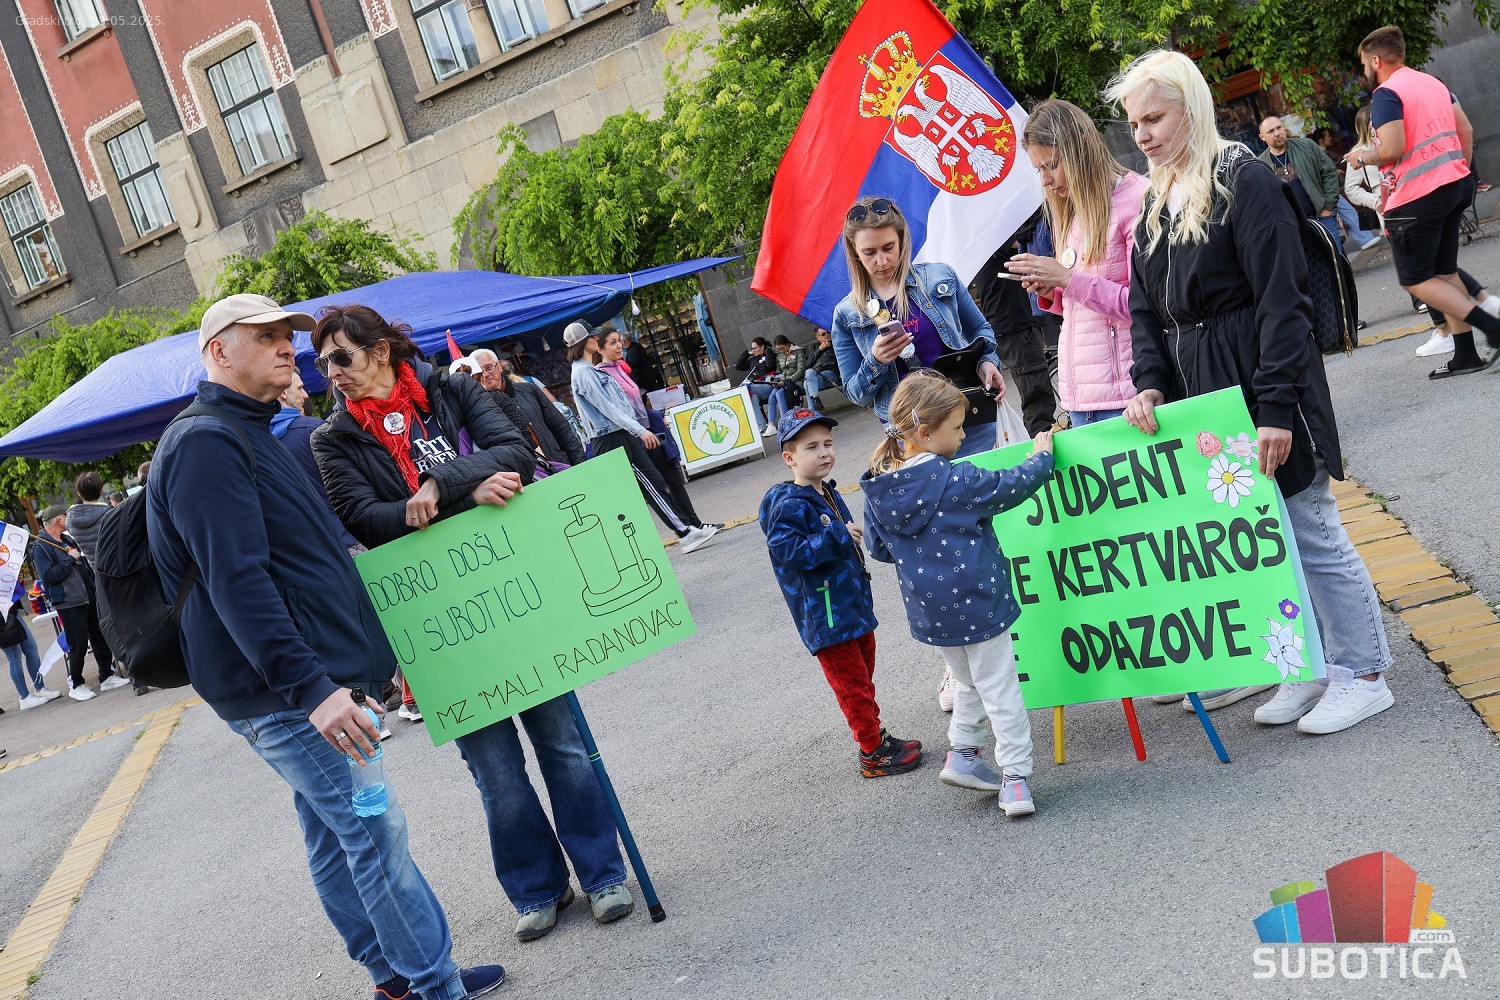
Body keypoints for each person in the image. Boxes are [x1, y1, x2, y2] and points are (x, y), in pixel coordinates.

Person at [148, 293, 505, 1000]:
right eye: (265, 336)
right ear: (219, 351)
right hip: (284, 692)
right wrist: (313, 688)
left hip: (294, 683)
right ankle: (435, 986)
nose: (287, 346)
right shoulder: (205, 443)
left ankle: (395, 977)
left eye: (287, 334)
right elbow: (237, 582)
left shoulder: (246, 429)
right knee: (373, 833)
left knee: (333, 833)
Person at [310, 305, 638, 945]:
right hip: (439, 622)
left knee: (564, 745)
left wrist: (438, 484)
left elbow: (514, 451)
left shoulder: (449, 389)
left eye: (341, 357)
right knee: (496, 772)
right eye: (323, 365)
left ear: (381, 350)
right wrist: (469, 491)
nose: (332, 373)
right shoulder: (334, 438)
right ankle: (536, 888)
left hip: (514, 596)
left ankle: (602, 873)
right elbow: (365, 518)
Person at [1107, 49, 1396, 733]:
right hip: (1204, 395)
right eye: (1135, 123)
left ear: (1190, 109)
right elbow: (1147, 311)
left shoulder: (1245, 178)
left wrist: (1275, 408)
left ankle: (1364, 671)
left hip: (1260, 376)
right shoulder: (1155, 199)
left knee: (1310, 527)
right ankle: (1306, 664)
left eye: (1154, 118)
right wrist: (1150, 384)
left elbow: (1282, 301)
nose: (1142, 135)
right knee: (1261, 537)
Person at [860, 374, 1055, 817]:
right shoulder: (957, 479)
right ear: (926, 432)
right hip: (980, 603)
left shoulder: (879, 489)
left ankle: (964, 754)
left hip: (933, 613)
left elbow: (878, 549)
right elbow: (1012, 485)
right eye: (958, 427)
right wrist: (1042, 458)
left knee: (967, 681)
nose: (964, 435)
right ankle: (1016, 778)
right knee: (1001, 687)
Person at [759, 406, 921, 778]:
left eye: (828, 444)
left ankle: (876, 736)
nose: (824, 453)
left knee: (863, 679)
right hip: (827, 617)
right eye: (811, 447)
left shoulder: (826, 492)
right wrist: (836, 535)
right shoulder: (790, 505)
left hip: (851, 606)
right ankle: (872, 754)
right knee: (852, 686)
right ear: (789, 458)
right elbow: (788, 553)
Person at [1346, 25, 1500, 377]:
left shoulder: (1386, 94)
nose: (1365, 70)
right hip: (1454, 184)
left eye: (1365, 63)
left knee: (1415, 279)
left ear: (1376, 60)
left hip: (1416, 197)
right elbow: (1465, 129)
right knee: (1445, 273)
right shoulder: (1432, 83)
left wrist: (1360, 158)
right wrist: (1460, 170)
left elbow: (1392, 149)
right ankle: (1465, 355)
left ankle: (1493, 328)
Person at [829, 196, 1006, 460]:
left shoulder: (939, 277)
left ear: (902, 240)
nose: (881, 261)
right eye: (869, 252)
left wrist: (987, 362)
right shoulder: (847, 313)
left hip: (968, 419)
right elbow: (856, 394)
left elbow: (982, 332)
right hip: (911, 439)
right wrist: (876, 361)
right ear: (854, 251)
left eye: (888, 247)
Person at [1010, 98, 1151, 429]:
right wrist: (1053, 290)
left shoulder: (1137, 199)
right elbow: (1085, 311)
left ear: (1081, 148)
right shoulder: (1072, 210)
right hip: (1082, 397)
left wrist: (1068, 280)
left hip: (1129, 396)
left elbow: (1147, 306)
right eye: (1039, 169)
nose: (1045, 180)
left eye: (1051, 165)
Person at [567, 322, 719, 553]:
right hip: (612, 437)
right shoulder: (584, 372)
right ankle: (684, 533)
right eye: (593, 336)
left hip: (619, 434)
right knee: (649, 485)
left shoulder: (588, 370)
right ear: (584, 341)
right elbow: (609, 409)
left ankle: (686, 530)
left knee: (653, 483)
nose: (597, 339)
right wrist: (640, 430)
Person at [33, 506, 123, 700]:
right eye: (65, 516)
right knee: (78, 644)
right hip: (69, 602)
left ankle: (106, 675)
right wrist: (68, 560)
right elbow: (48, 577)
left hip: (87, 596)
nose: (67, 519)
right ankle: (76, 683)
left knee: (99, 636)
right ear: (59, 520)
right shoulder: (41, 547)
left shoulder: (66, 540)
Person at [468, 349, 586, 468]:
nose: (485, 374)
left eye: (489, 368)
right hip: (528, 474)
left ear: (499, 367)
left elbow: (561, 428)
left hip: (559, 463)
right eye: (479, 372)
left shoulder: (528, 390)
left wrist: (580, 464)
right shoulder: (479, 409)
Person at [1256, 116, 1345, 255]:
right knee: (1309, 266)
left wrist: (1327, 206)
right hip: (1293, 229)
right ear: (1262, 137)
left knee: (1336, 259)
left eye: (1279, 127)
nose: (1277, 133)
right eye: (1271, 131)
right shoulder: (1261, 165)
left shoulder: (1306, 146)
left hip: (1322, 217)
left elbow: (1329, 172)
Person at [4, 585, 57, 709]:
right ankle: (24, 697)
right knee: (14, 657)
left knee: (31, 648)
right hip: (2, 616)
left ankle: (40, 687)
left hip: (11, 610)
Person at [762, 334, 809, 435]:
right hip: (784, 382)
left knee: (779, 394)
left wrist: (787, 381)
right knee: (772, 395)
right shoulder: (780, 356)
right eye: (778, 349)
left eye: (782, 348)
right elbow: (779, 372)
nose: (781, 351)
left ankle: (786, 422)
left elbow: (801, 370)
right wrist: (775, 381)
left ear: (788, 344)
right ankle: (771, 425)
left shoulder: (798, 351)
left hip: (796, 381)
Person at [65, 471, 111, 565]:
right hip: (122, 567)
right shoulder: (112, 514)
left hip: (97, 570)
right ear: (101, 490)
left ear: (78, 493)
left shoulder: (69, 521)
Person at [733, 337, 779, 425]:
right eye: (752, 348)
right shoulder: (753, 360)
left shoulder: (770, 355)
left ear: (762, 347)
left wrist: (767, 351)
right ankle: (762, 426)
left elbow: (770, 365)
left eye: (755, 348)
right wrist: (747, 353)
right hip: (754, 388)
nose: (753, 350)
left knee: (745, 388)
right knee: (753, 398)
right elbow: (738, 366)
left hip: (768, 386)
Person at [803, 328, 843, 410]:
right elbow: (808, 364)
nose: (827, 335)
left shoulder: (835, 343)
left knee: (807, 383)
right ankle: (816, 400)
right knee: (808, 376)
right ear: (818, 337)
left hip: (830, 374)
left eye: (828, 332)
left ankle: (813, 409)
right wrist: (820, 349)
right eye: (823, 334)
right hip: (815, 374)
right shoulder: (814, 347)